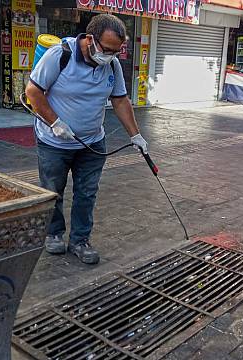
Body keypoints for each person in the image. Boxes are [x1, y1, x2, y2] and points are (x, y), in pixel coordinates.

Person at [25, 14, 148, 265]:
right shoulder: (60, 55)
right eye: (108, 49)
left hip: (92, 142)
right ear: (90, 39)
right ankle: (54, 233)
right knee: (52, 191)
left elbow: (120, 100)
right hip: (54, 142)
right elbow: (33, 92)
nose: (111, 56)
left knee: (87, 193)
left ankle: (80, 240)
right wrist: (55, 123)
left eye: (116, 51)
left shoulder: (111, 65)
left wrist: (136, 135)